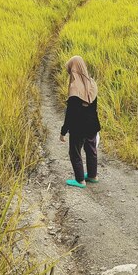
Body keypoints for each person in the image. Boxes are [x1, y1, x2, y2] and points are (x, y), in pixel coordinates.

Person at [60, 55, 101, 188]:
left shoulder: (74, 89)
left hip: (78, 127)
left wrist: (63, 132)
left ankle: (79, 180)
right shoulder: (92, 84)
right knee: (91, 149)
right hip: (92, 125)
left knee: (75, 152)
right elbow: (94, 108)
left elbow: (70, 115)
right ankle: (92, 176)